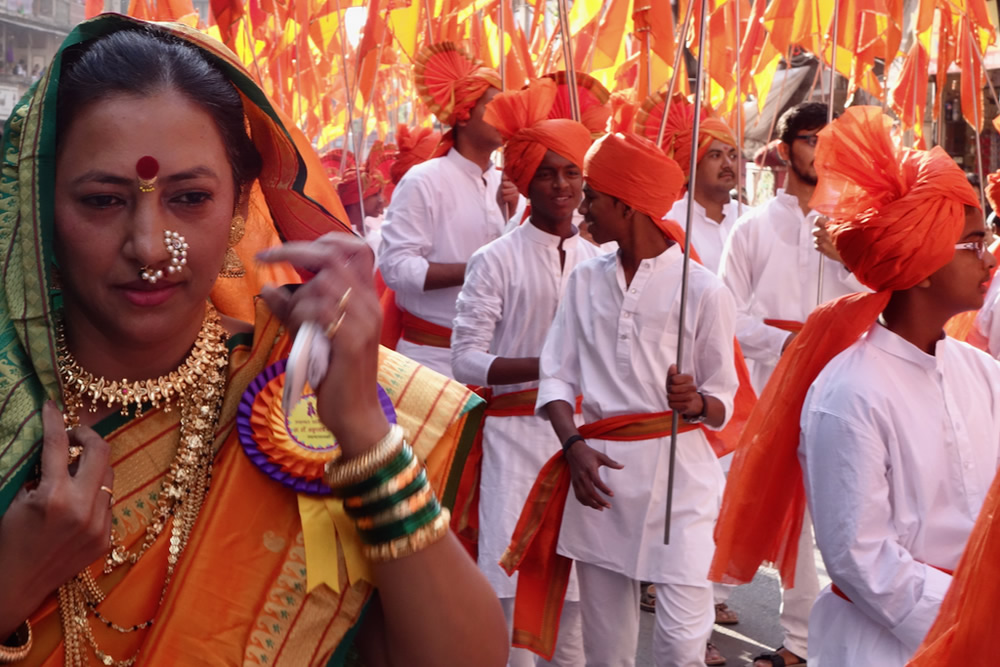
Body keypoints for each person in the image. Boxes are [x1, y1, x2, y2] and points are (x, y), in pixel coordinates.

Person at [0, 16, 508, 666]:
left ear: (240, 207)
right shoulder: (14, 410)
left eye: (190, 197)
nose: (150, 246)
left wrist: (362, 434)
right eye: (102, 201)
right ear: (39, 208)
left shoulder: (300, 395)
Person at [710, 106, 999, 666]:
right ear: (920, 264)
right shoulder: (850, 391)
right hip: (881, 645)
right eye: (972, 242)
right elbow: (860, 559)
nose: (989, 259)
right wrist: (974, 609)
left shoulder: (982, 373)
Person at [504, 132, 739, 667]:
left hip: (681, 480)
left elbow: (724, 400)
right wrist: (573, 447)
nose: (582, 208)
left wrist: (695, 402)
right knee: (605, 648)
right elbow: (556, 376)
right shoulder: (585, 278)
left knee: (681, 643)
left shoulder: (702, 289)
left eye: (592, 198)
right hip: (598, 477)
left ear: (626, 207)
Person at [451, 78, 597, 666]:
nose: (561, 185)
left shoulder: (603, 261)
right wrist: (553, 363)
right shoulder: (495, 259)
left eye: (571, 173)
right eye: (546, 173)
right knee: (510, 603)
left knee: (581, 601)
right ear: (526, 181)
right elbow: (466, 360)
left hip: (585, 445)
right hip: (513, 441)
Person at [717, 102, 866, 667]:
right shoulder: (753, 228)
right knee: (775, 506)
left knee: (842, 506)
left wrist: (848, 252)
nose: (823, 151)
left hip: (845, 382)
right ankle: (777, 633)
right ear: (784, 150)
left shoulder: (854, 226)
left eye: (833, 140)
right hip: (771, 384)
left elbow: (884, 296)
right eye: (812, 139)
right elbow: (725, 314)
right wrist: (791, 345)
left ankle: (818, 640)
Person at [377, 42, 508, 377]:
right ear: (463, 114)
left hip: (496, 362)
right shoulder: (424, 180)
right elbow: (396, 267)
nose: (504, 115)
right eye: (493, 106)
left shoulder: (508, 186)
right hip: (431, 361)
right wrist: (477, 269)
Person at [654, 92, 742, 274]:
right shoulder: (670, 223)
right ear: (692, 164)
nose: (728, 163)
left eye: (732, 155)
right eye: (716, 155)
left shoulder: (750, 219)